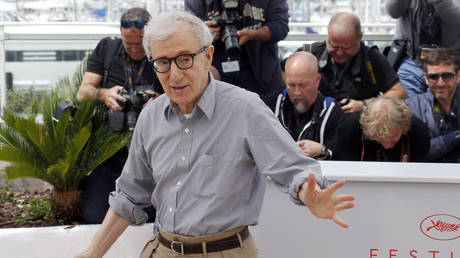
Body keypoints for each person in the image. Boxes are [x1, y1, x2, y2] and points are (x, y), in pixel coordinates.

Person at [75, 11, 355, 258]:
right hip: (162, 250)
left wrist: (312, 195)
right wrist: (93, 252)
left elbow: (294, 169)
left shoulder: (245, 109)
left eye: (185, 59)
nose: (174, 75)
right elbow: (129, 195)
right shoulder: (150, 117)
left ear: (207, 56)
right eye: (163, 62)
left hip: (226, 253)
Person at [76, 8, 161, 224]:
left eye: (140, 43)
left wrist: (159, 101)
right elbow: (82, 93)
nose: (134, 49)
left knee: (151, 215)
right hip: (111, 151)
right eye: (128, 43)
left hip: (152, 152)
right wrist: (104, 94)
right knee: (94, 214)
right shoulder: (108, 48)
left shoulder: (161, 53)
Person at [298, 12, 407, 115]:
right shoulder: (312, 52)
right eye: (334, 46)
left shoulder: (372, 59)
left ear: (360, 37)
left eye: (346, 48)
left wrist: (365, 105)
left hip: (358, 124)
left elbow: (400, 93)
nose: (339, 53)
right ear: (327, 37)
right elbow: (285, 74)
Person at [185, 0, 288, 107]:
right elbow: (187, 31)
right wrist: (203, 32)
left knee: (264, 118)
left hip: (261, 76)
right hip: (217, 74)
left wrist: (254, 34)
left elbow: (281, 26)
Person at [274, 51, 345, 160]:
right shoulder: (271, 106)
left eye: (303, 85)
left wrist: (322, 150)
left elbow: (345, 158)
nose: (297, 92)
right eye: (291, 85)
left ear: (317, 81)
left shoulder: (333, 114)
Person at [385, 0, 460, 97]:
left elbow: (456, 19)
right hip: (412, 59)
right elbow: (393, 11)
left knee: (441, 106)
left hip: (450, 61)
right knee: (403, 105)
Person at [334, 96, 430, 162]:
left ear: (404, 127)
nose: (387, 146)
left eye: (393, 140)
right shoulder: (350, 128)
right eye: (379, 139)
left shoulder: (419, 132)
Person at [406, 48, 460, 162]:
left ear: (458, 76)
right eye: (433, 77)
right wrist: (454, 138)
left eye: (447, 76)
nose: (440, 83)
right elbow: (414, 153)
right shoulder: (412, 108)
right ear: (426, 78)